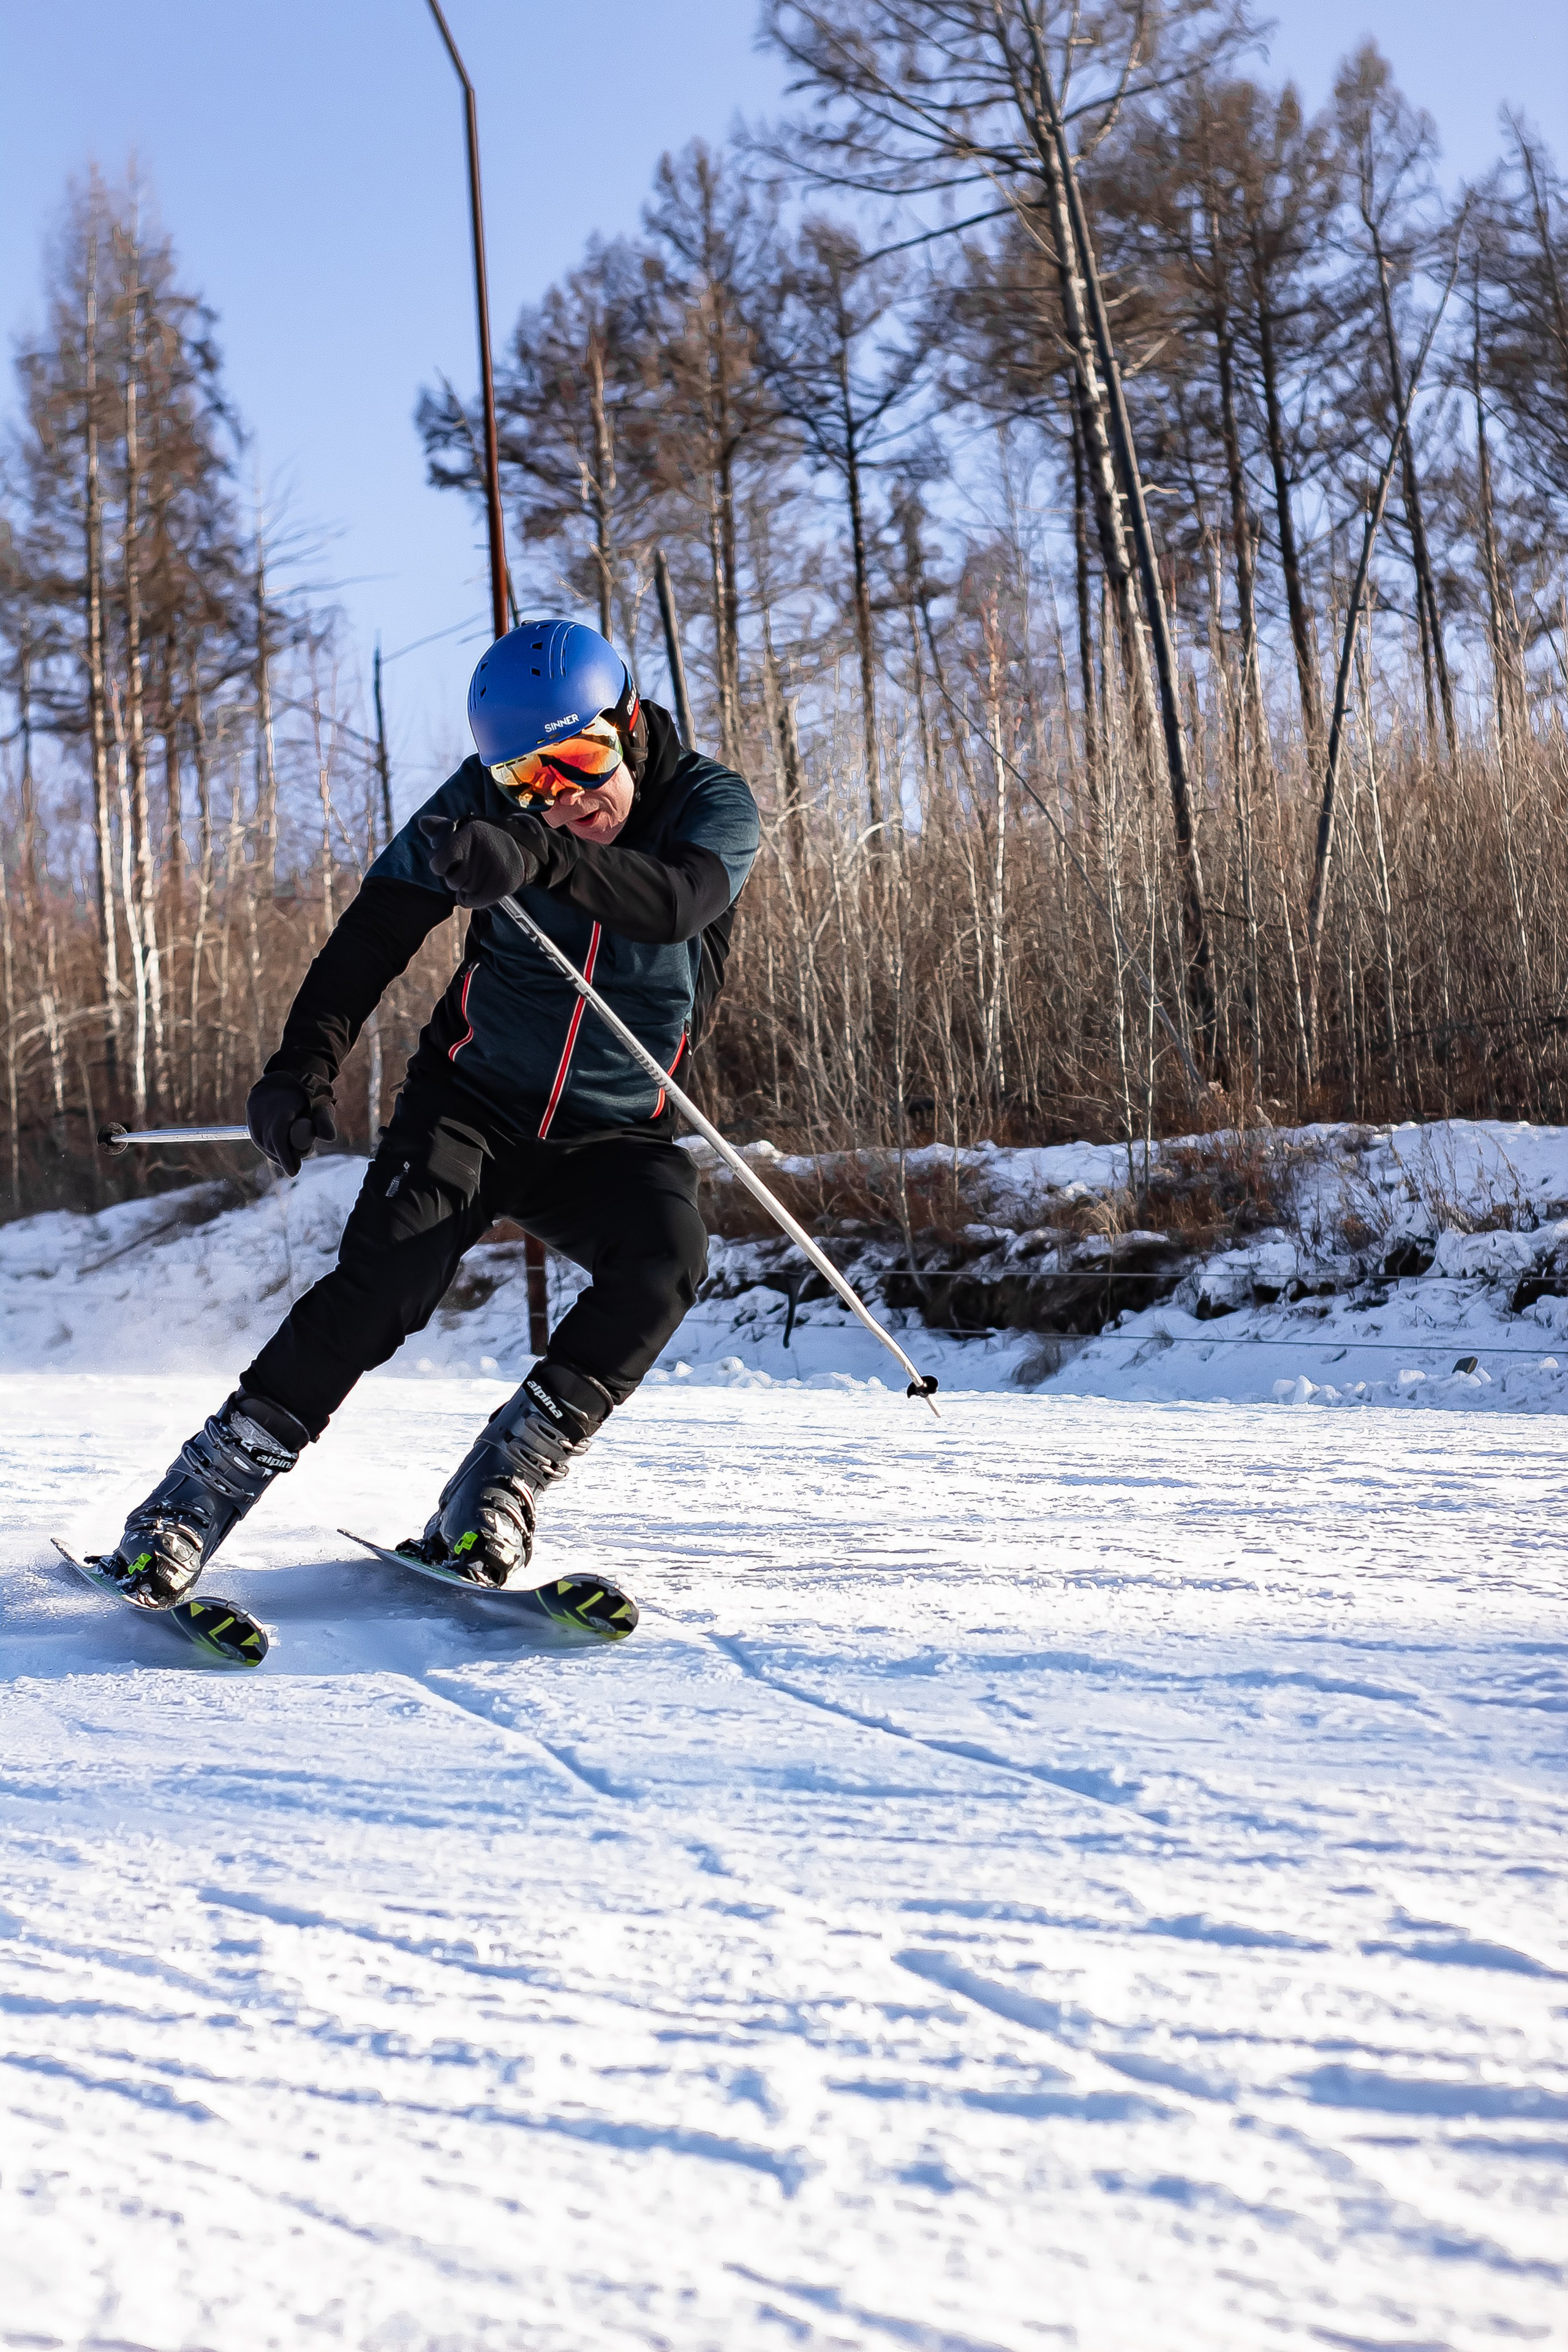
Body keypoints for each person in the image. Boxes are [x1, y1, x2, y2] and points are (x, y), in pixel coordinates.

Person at [100, 617, 759, 1607]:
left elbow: (678, 902)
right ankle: (187, 1507)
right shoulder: (475, 807)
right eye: (530, 780)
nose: (566, 800)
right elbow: (378, 927)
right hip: (472, 1107)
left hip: (616, 1129)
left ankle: (493, 1491)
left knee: (666, 1260)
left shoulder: (709, 801)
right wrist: (301, 1065)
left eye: (583, 762)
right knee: (385, 1287)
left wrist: (537, 857)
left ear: (629, 723)